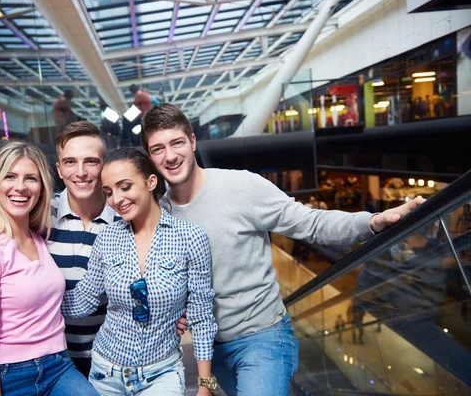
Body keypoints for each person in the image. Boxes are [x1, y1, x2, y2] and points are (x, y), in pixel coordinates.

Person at [140, 103, 426, 396]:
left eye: (177, 143)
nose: (170, 156)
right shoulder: (159, 216)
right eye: (158, 149)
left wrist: (373, 222)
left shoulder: (242, 187)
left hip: (262, 338)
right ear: (150, 157)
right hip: (209, 352)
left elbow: (311, 223)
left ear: (193, 141)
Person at [0, 122, 185, 381]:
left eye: (91, 161)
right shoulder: (41, 214)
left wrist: (174, 310)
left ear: (102, 167)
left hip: (111, 355)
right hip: (54, 356)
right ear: (59, 169)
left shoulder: (124, 218)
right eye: (70, 162)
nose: (80, 172)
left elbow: (163, 263)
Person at [61, 148, 217, 395]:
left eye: (125, 187)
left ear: (151, 182)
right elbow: (83, 301)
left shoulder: (190, 238)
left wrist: (205, 384)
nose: (116, 199)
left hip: (163, 372)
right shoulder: (107, 237)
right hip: (106, 371)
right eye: (109, 192)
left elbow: (201, 315)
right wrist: (32, 300)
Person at [0, 142, 98, 395]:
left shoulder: (39, 239)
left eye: (30, 178)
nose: (20, 187)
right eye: (10, 176)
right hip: (7, 375)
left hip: (58, 366)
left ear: (42, 188)